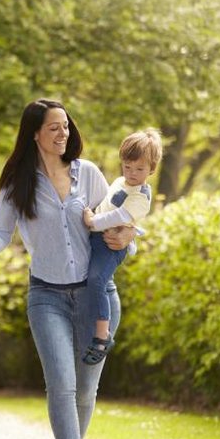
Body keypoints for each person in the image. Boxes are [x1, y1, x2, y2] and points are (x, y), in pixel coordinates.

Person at [0, 98, 136, 439]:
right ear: (34, 133)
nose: (63, 133)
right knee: (62, 385)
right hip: (46, 295)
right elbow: (1, 235)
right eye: (53, 127)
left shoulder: (91, 176)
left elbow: (118, 226)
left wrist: (126, 239)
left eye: (65, 126)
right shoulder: (18, 184)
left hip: (96, 296)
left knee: (85, 391)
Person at [81, 128, 163, 365]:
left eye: (140, 169)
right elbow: (105, 205)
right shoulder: (119, 182)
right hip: (98, 236)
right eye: (128, 167)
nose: (132, 173)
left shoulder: (141, 197)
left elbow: (115, 217)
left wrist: (91, 221)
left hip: (111, 245)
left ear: (152, 169)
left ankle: (102, 335)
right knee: (90, 279)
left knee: (97, 280)